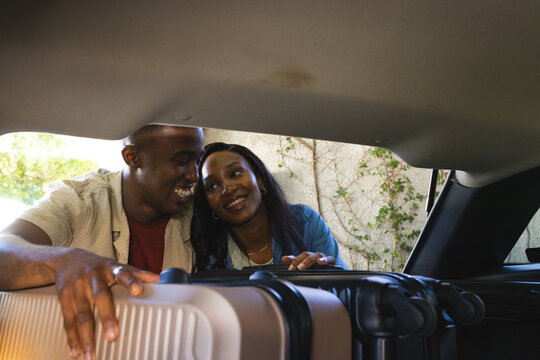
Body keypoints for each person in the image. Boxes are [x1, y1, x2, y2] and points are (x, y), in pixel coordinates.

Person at [0, 124, 204, 360]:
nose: (194, 175)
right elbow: (4, 248)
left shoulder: (196, 214)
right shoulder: (78, 200)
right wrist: (65, 261)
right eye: (181, 161)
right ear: (132, 157)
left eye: (197, 162)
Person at [191, 142, 347, 271]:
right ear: (209, 204)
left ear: (260, 179)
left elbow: (345, 297)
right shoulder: (210, 252)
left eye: (236, 173)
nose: (228, 189)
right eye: (212, 186)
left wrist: (330, 274)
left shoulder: (306, 222)